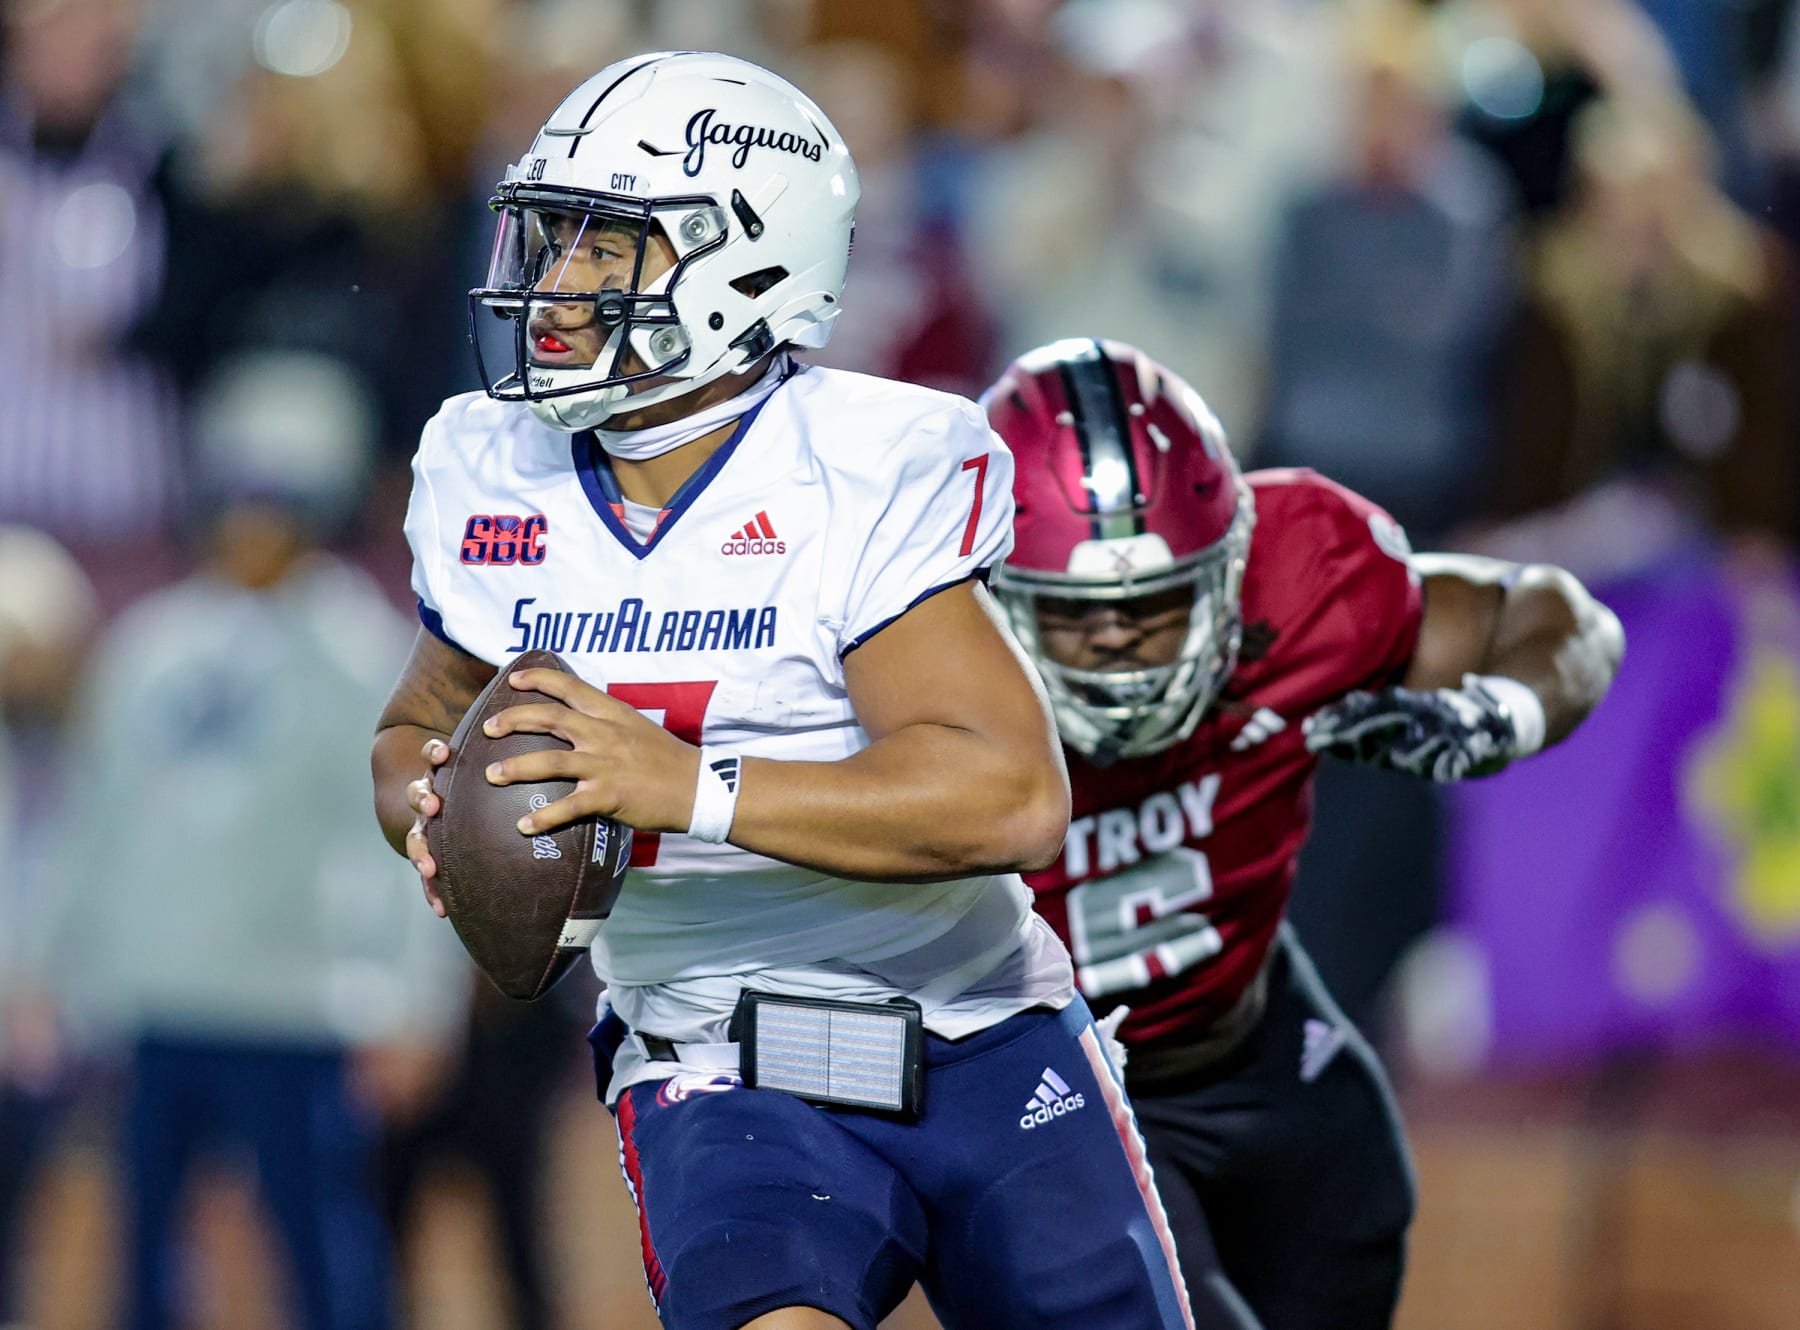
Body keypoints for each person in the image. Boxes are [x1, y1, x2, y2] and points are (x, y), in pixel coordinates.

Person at [371, 52, 1195, 1330]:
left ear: (745, 262)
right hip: (714, 1060)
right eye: (552, 236)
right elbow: (422, 723)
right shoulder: (492, 466)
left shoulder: (862, 463)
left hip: (976, 1035)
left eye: (605, 245)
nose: (554, 282)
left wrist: (687, 788)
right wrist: (431, 810)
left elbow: (1014, 798)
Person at [980, 337, 1625, 1330]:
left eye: (1153, 607)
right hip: (1046, 1092)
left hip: (1253, 1032)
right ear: (993, 588)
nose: (1118, 649)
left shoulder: (1308, 572)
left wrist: (1499, 713)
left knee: (1359, 1218)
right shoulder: (924, 651)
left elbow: (1560, 620)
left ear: (1231, 565)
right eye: (1075, 616)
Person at [14, 350, 466, 1330]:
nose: (251, 523)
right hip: (161, 997)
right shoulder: (153, 645)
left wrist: (419, 1000)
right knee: (145, 1253)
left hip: (300, 1009)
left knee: (324, 1253)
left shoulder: (365, 653)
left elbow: (408, 839)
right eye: (238, 496)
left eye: (280, 499)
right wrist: (38, 962)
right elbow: (94, 817)